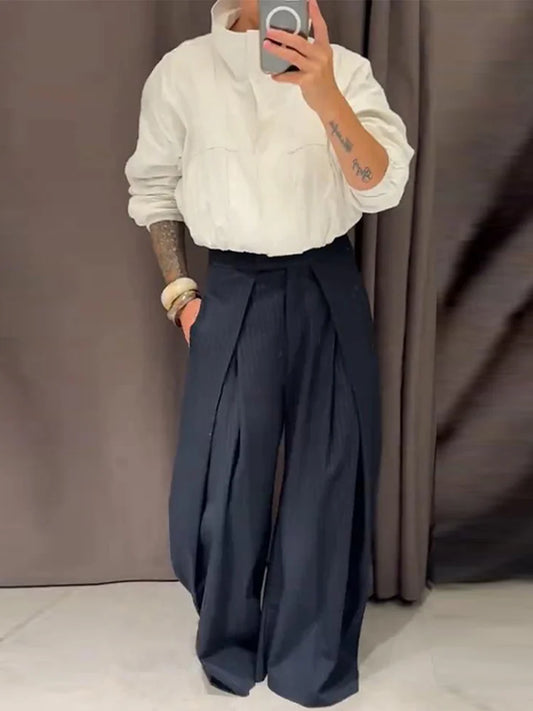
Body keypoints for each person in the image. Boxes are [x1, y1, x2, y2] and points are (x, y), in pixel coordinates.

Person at [124, 0, 414, 705]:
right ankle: (228, 643)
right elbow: (154, 186)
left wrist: (324, 94)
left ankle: (309, 658)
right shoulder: (183, 72)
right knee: (221, 483)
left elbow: (380, 187)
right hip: (232, 289)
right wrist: (180, 293)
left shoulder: (346, 71)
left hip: (326, 282)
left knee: (330, 474)